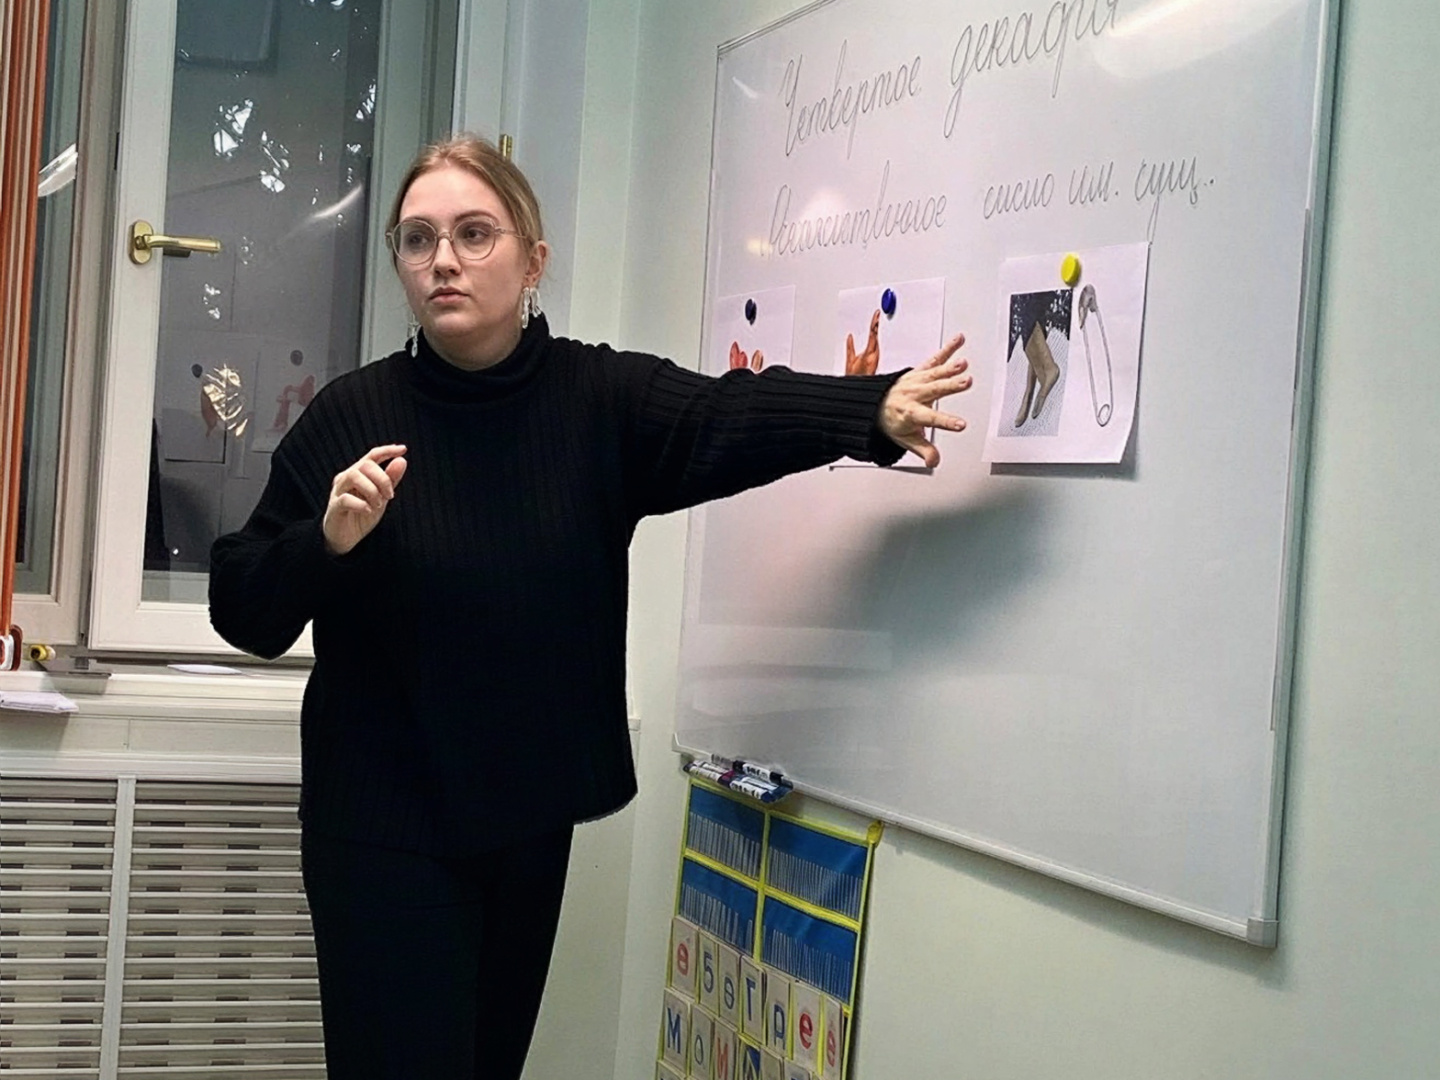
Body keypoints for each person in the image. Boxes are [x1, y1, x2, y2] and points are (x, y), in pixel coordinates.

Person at [208, 134, 972, 1079]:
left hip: (529, 826)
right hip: (381, 834)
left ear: (533, 260)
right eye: (418, 239)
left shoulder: (597, 399)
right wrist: (324, 544)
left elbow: (729, 414)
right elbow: (243, 607)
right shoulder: (351, 415)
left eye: (474, 233)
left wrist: (870, 411)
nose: (443, 259)